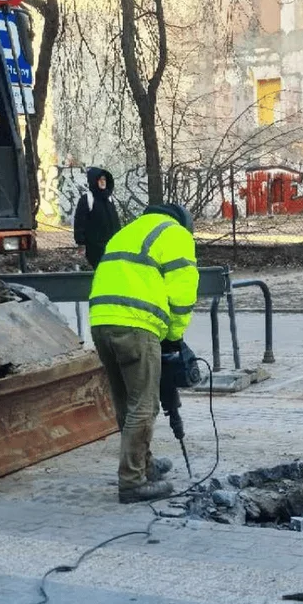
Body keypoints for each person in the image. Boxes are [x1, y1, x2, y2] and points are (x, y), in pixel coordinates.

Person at [89, 203, 199, 504]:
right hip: (137, 325)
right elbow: (182, 292)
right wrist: (174, 337)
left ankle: (144, 465)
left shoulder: (127, 232)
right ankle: (132, 481)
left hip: (101, 321)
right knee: (144, 405)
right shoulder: (174, 234)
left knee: (126, 400)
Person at [73, 167, 122, 268]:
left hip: (112, 245)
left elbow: (115, 221)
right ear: (94, 181)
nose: (103, 182)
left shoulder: (109, 198)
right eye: (100, 180)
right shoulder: (87, 199)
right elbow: (79, 222)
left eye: (104, 179)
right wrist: (81, 242)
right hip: (94, 248)